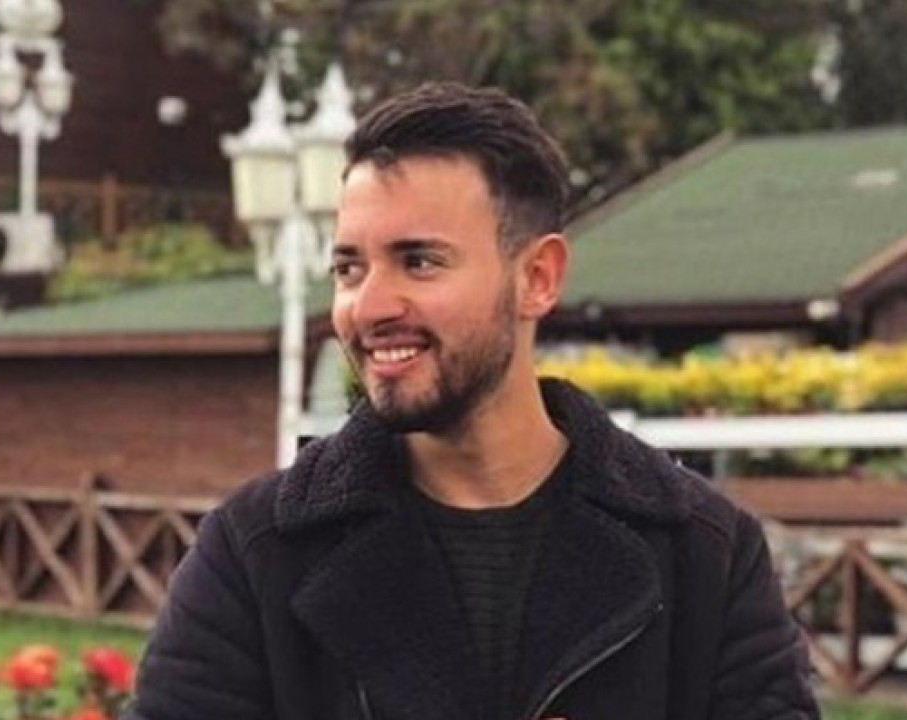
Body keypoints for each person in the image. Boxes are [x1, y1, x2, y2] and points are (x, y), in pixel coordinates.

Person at [126, 82, 819, 720]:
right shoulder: (257, 552)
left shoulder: (704, 554)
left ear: (537, 278)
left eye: (419, 261)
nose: (369, 306)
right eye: (349, 267)